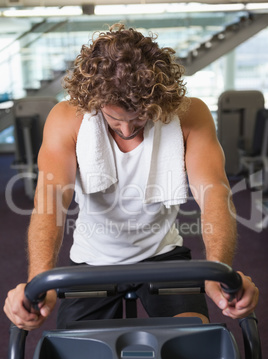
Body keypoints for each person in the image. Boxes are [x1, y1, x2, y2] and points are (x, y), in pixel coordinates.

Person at [4, 23, 258, 331]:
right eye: (114, 120)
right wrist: (38, 280)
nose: (127, 131)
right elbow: (52, 198)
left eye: (139, 118)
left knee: (191, 348)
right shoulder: (66, 120)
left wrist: (220, 272)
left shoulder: (191, 115)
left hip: (163, 255)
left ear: (160, 101)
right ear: (93, 103)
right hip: (92, 259)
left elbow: (215, 192)